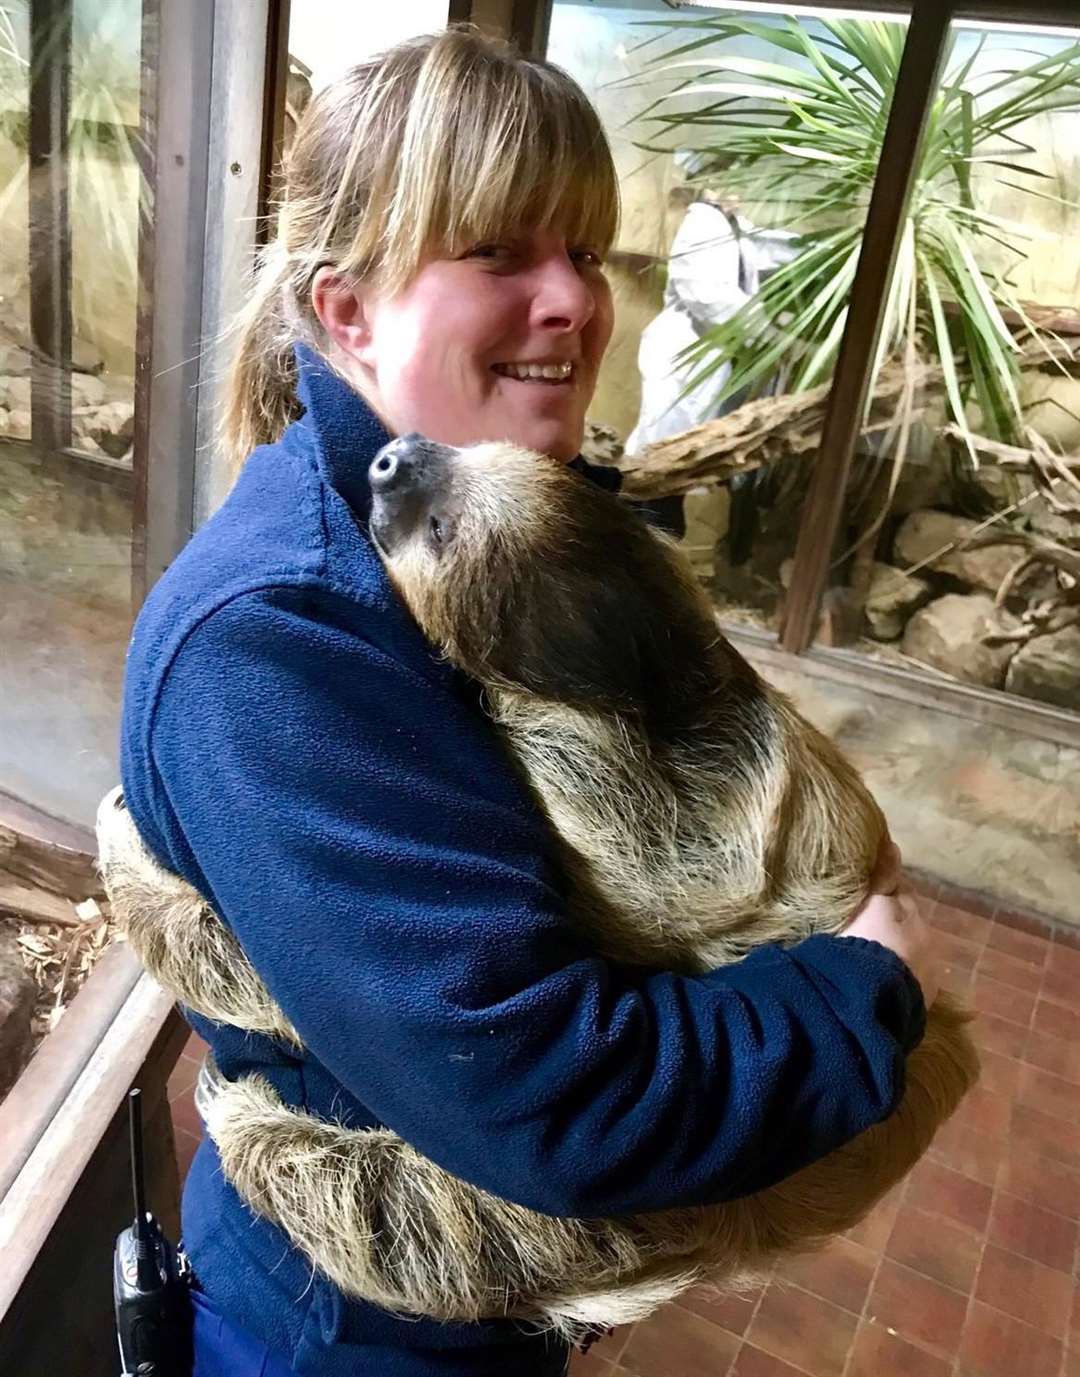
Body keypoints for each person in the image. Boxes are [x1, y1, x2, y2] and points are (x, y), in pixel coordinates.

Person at [118, 27, 940, 1377]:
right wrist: (866, 994)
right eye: (500, 252)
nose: (575, 298)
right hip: (345, 1334)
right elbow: (550, 1103)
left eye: (584, 248)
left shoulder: (494, 508)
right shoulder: (278, 639)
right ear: (347, 312)